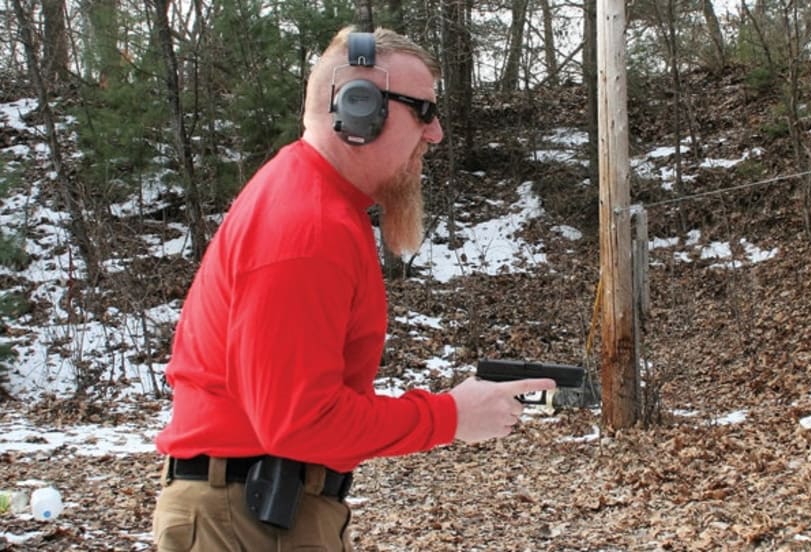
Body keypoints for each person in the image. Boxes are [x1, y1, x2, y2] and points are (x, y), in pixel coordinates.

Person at [151, 25, 555, 552]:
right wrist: (450, 416)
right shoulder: (308, 226)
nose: (435, 134)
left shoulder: (317, 203)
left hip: (257, 510)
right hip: (246, 520)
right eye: (424, 112)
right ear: (360, 110)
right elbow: (299, 422)